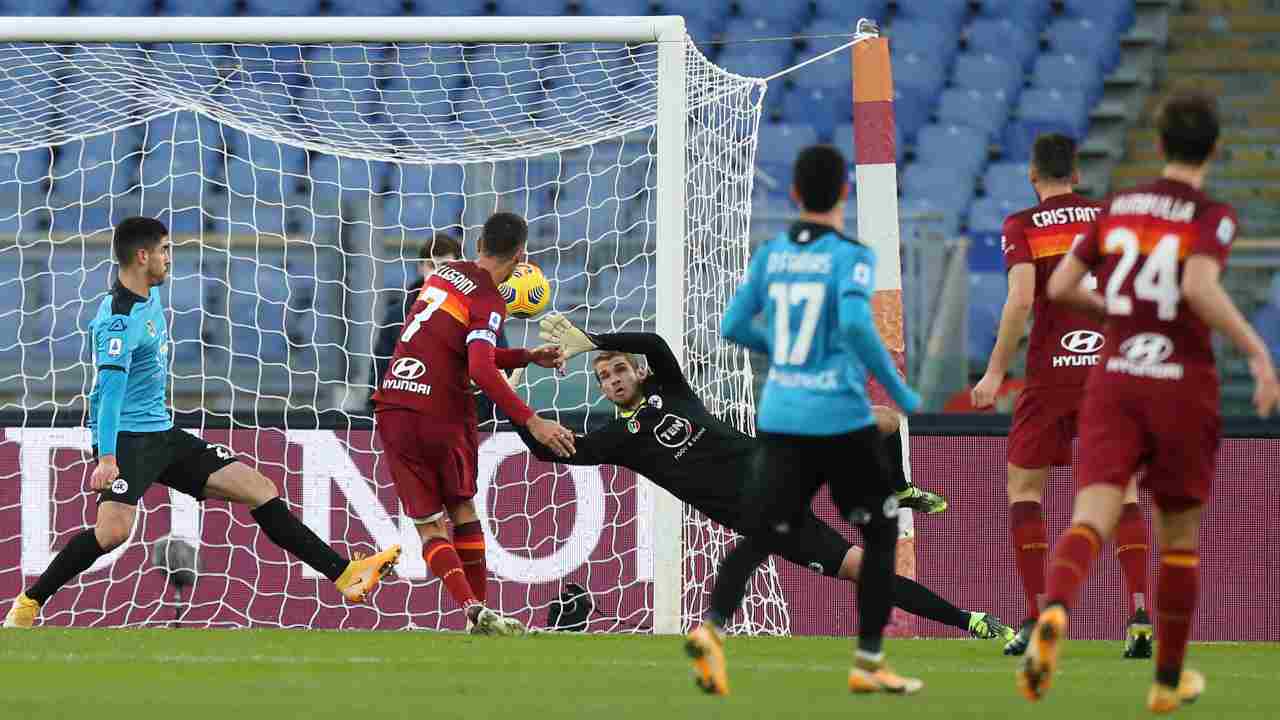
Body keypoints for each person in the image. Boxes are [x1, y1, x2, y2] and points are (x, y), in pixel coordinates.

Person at [1016, 92, 1279, 712]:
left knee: (1092, 513)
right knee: (1178, 537)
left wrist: (1121, 312)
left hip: (1114, 376)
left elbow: (1060, 287)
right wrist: (1256, 351)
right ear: (1215, 149)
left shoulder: (1118, 208)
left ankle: (1053, 611)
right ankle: (1166, 680)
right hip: (1180, 381)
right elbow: (1197, 285)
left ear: (1158, 145)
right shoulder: (1212, 216)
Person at [4, 217, 401, 629]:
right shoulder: (118, 321)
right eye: (163, 250)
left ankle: (344, 575)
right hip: (127, 441)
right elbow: (109, 394)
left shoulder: (147, 299)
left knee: (259, 489)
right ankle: (29, 604)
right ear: (143, 257)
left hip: (161, 433)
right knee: (112, 534)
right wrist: (105, 456)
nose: (168, 259)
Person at [526, 317, 1009, 642]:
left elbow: (652, 344)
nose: (612, 379)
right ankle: (975, 622)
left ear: (638, 373)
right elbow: (556, 453)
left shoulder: (669, 389)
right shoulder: (616, 439)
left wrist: (592, 339)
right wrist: (518, 411)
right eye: (603, 376)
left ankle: (899, 487)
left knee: (882, 420)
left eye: (618, 369)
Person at [684, 145, 924, 696]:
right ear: (844, 192)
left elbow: (733, 324)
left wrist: (787, 351)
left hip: (782, 414)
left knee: (768, 527)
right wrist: (898, 390)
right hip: (837, 419)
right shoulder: (852, 255)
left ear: (794, 194)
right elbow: (861, 327)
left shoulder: (771, 253)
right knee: (881, 530)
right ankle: (868, 661)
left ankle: (713, 627)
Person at [971, 133, 1153, 657]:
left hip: (1051, 375)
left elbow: (1021, 299)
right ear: (1076, 174)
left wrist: (993, 374)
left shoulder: (1022, 226)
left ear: (1033, 175)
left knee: (1026, 493)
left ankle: (1038, 619)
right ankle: (1139, 616)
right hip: (1111, 372)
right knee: (1123, 495)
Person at [371, 211, 575, 636]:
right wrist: (531, 420)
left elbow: (452, 346)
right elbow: (480, 369)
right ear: (521, 256)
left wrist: (525, 356)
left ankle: (472, 609)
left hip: (394, 404)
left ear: (478, 245)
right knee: (461, 508)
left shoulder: (442, 277)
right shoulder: (488, 300)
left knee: (428, 525)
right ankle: (479, 611)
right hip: (441, 410)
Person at [370, 231, 464, 401]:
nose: (439, 273)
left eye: (446, 266)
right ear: (421, 267)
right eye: (432, 266)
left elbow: (500, 374)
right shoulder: (396, 316)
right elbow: (379, 377)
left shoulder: (478, 313)